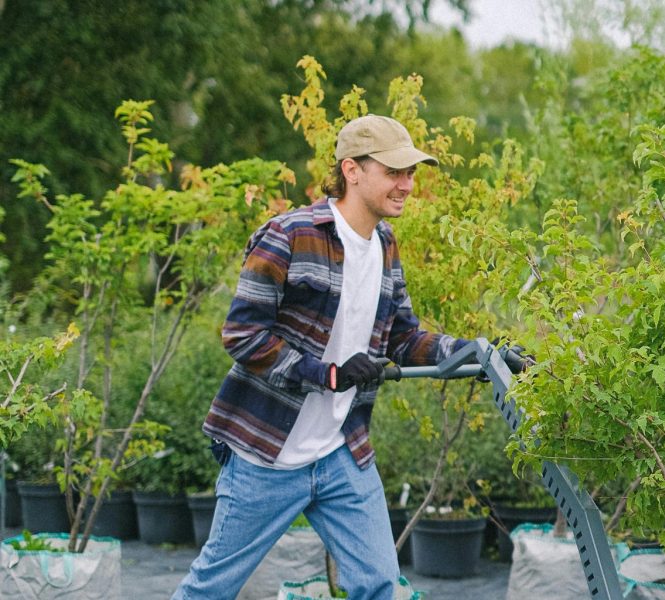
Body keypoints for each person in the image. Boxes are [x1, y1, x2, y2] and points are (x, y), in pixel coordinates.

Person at [173, 115, 502, 600]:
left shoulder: (386, 245)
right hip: (266, 454)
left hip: (340, 453)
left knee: (379, 585)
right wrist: (327, 374)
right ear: (351, 169)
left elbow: (403, 338)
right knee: (211, 589)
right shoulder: (289, 236)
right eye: (394, 172)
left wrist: (478, 353)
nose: (407, 185)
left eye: (411, 173)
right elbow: (243, 335)